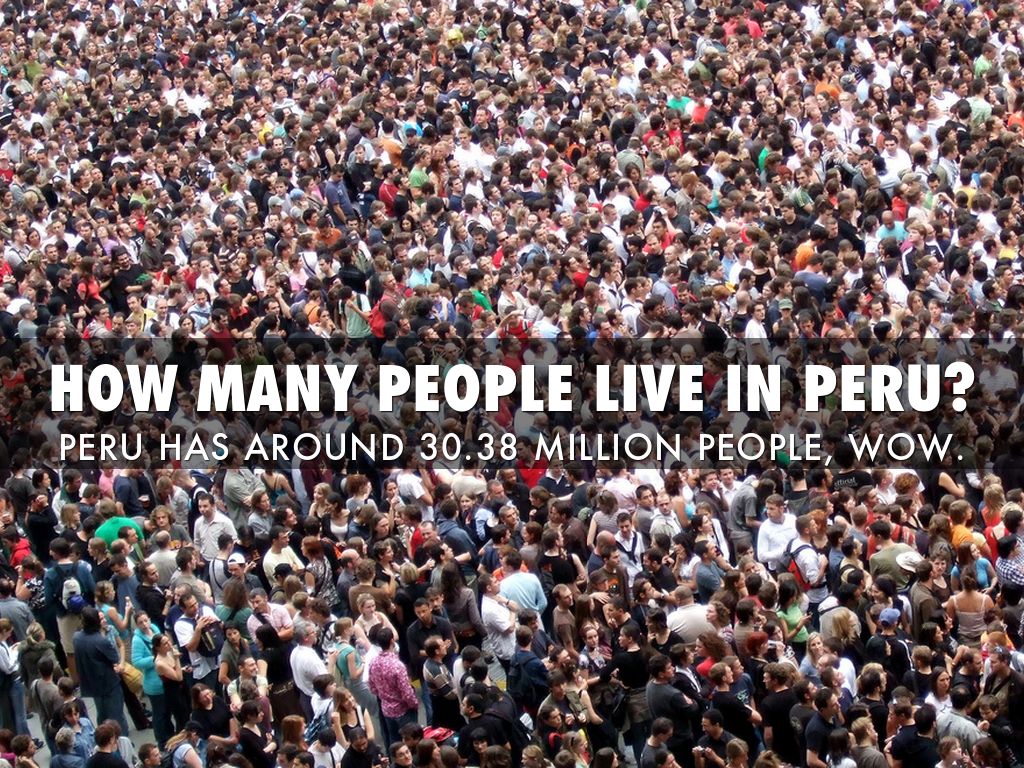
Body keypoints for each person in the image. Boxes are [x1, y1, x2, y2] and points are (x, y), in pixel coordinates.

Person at [72, 608, 128, 735]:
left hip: (93, 685)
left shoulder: (76, 638)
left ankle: (104, 740)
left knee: (102, 716)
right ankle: (121, 742)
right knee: (117, 718)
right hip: (109, 684)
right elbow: (115, 658)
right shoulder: (101, 641)